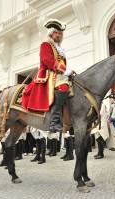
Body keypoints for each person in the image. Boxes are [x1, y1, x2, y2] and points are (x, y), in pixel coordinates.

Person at [22, 19, 74, 147]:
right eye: (57, 33)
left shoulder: (60, 49)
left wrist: (68, 71)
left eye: (60, 34)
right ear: (51, 33)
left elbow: (62, 64)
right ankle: (54, 120)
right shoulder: (45, 45)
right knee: (63, 87)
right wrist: (64, 70)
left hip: (58, 74)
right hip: (49, 74)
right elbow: (48, 61)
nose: (59, 35)